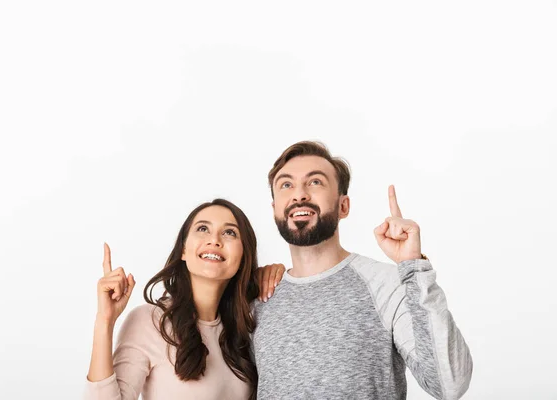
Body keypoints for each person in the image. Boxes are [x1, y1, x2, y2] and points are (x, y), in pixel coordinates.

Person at [253, 141, 473, 400]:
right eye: (286, 185)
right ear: (275, 209)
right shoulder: (258, 295)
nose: (299, 194)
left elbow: (450, 384)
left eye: (315, 182)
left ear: (343, 206)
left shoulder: (388, 284)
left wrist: (413, 267)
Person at [85, 198, 282, 400]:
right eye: (203, 228)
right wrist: (104, 321)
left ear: (243, 257)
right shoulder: (150, 321)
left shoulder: (247, 325)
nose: (214, 240)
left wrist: (282, 277)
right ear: (183, 250)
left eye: (229, 232)